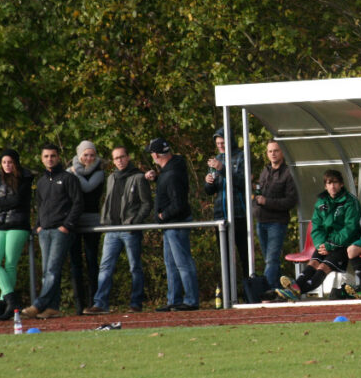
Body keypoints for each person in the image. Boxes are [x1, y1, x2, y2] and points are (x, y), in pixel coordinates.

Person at [83, 147, 153, 315]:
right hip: (112, 229)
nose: (119, 160)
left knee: (134, 267)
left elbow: (146, 203)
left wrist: (135, 222)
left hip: (129, 230)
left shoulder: (138, 177)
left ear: (128, 157)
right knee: (105, 267)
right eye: (116, 158)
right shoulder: (111, 178)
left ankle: (136, 303)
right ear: (113, 161)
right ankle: (100, 303)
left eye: (122, 157)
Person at [277, 170, 360, 301]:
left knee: (323, 267)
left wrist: (330, 245)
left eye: (335, 183)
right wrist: (321, 244)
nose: (332, 186)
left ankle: (295, 291)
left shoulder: (350, 201)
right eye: (329, 183)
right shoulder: (321, 202)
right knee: (313, 263)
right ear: (325, 186)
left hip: (344, 245)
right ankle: (294, 288)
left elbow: (350, 229)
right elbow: (316, 226)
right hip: (325, 244)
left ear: (342, 184)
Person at [22, 143, 83, 320]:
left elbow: (77, 203)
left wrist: (67, 225)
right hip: (45, 231)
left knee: (52, 270)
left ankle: (38, 305)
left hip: (61, 231)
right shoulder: (41, 182)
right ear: (42, 159)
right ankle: (53, 307)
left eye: (53, 156)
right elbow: (40, 205)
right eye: (46, 156)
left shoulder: (68, 178)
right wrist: (38, 226)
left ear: (58, 158)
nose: (50, 159)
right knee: (47, 271)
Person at [145, 138, 199, 311]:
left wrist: (163, 215)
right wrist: (156, 179)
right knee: (171, 263)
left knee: (182, 262)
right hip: (171, 225)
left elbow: (179, 203)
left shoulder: (172, 174)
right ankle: (174, 300)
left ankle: (190, 300)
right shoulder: (172, 169)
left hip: (176, 224)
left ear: (155, 155)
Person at [0, 149, 33, 321]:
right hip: (0, 225)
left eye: (10, 162)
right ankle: (12, 300)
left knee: (10, 264)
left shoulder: (25, 177)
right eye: (4, 162)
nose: (7, 165)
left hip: (18, 224)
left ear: (16, 163)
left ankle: (2, 306)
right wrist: (2, 205)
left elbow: (18, 200)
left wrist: (1, 204)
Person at [204, 126, 248, 282]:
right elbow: (210, 191)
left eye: (223, 142)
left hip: (239, 214)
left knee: (245, 256)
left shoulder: (241, 157)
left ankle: (250, 292)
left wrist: (222, 169)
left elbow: (242, 182)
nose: (220, 146)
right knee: (225, 258)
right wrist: (208, 182)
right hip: (220, 216)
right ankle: (228, 295)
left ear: (231, 141)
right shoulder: (216, 159)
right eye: (218, 143)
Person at [254, 141, 298, 287]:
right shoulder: (265, 171)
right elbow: (258, 194)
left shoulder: (288, 173)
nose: (273, 153)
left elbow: (291, 201)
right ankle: (280, 289)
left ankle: (266, 291)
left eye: (276, 151)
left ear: (282, 152)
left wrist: (267, 202)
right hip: (261, 221)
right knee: (270, 259)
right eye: (270, 151)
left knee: (271, 259)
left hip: (277, 222)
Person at [68, 140, 104, 314]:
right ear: (79, 155)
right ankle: (78, 305)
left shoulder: (99, 172)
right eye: (85, 155)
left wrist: (74, 174)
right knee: (75, 263)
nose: (89, 158)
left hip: (92, 220)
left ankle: (93, 302)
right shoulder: (71, 171)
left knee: (91, 261)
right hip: (74, 221)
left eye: (92, 155)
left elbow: (88, 188)